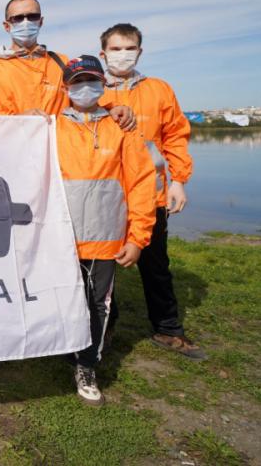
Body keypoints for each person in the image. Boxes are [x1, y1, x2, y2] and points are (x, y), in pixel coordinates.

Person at [0, 0, 135, 374]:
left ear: (41, 20)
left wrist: (116, 107)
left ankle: (78, 337)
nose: (25, 22)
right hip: (11, 172)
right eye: (17, 17)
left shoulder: (61, 62)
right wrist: (16, 121)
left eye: (31, 16)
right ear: (6, 25)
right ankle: (3, 337)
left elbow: (87, 95)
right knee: (9, 257)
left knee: (58, 259)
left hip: (60, 175)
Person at [55, 55, 156, 405]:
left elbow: (141, 183)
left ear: (103, 84)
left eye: (91, 81)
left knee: (98, 304)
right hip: (61, 238)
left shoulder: (122, 127)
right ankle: (62, 347)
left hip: (104, 238)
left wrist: (138, 237)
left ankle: (87, 365)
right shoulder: (51, 126)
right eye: (77, 82)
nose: (84, 88)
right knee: (63, 299)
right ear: (65, 88)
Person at [99, 24, 204, 360]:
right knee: (102, 267)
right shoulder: (92, 90)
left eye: (129, 48)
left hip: (150, 195)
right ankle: (104, 327)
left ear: (140, 51)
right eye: (115, 49)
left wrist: (179, 180)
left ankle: (167, 328)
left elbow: (175, 136)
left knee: (156, 264)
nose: (122, 54)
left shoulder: (158, 90)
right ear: (103, 53)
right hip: (105, 194)